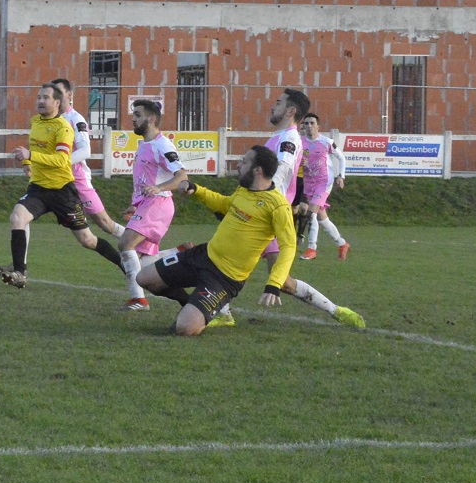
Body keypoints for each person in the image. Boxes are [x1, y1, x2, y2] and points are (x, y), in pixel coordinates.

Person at [208, 89, 364, 330]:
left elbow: (282, 170)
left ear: (291, 111)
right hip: (264, 212)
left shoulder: (289, 139)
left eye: (278, 103)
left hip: (265, 214)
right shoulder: (280, 136)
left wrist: (260, 201)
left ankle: (224, 313)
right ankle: (337, 311)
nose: (273, 106)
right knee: (282, 281)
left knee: (221, 258)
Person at [135, 146, 294, 336]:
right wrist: (196, 189)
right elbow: (224, 204)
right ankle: (191, 305)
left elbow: (288, 247)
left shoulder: (278, 206)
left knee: (185, 329)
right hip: (203, 255)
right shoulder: (244, 190)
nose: (239, 165)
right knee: (144, 278)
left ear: (257, 170)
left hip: (225, 277)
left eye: (245, 161)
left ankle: (196, 312)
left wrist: (274, 283)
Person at [0, 83, 125, 287]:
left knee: (87, 240)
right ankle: (20, 272)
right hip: (38, 188)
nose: (40, 101)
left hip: (62, 192)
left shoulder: (64, 128)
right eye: (38, 97)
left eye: (45, 97)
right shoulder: (36, 121)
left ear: (57, 102)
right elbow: (35, 148)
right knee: (17, 218)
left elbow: (62, 160)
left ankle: (124, 264)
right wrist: (27, 160)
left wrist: (31, 155)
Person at [117, 100, 188, 312]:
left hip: (159, 204)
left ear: (152, 119)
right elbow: (145, 180)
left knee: (125, 244)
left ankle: (138, 300)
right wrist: (135, 206)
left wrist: (159, 188)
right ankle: (179, 254)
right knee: (143, 262)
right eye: (133, 115)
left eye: (138, 115)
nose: (133, 119)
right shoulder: (144, 145)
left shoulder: (162, 145)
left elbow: (182, 177)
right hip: (147, 205)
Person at [50, 77, 123, 238]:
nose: (55, 97)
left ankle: (138, 244)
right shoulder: (48, 120)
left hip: (75, 178)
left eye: (59, 92)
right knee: (23, 213)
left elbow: (85, 151)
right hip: (52, 178)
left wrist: (59, 162)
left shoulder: (76, 120)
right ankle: (20, 258)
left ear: (69, 95)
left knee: (103, 222)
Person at [298, 112, 349, 261]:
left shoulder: (326, 142)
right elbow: (294, 161)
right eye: (306, 123)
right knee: (323, 220)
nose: (309, 126)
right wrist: (300, 163)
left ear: (318, 126)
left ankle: (311, 249)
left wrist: (341, 176)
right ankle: (342, 244)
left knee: (311, 213)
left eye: (312, 123)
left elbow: (341, 158)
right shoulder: (300, 143)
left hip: (324, 182)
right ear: (303, 126)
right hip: (309, 183)